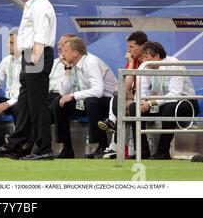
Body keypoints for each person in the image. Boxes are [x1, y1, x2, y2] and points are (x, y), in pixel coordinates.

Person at [0, 0, 56, 161]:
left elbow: (41, 33)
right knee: (25, 102)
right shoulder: (32, 4)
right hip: (30, 54)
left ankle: (44, 149)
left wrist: (35, 56)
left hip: (37, 55)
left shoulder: (40, 5)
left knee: (37, 104)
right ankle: (16, 145)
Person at [129, 41, 199, 160]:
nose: (143, 60)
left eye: (146, 57)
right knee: (133, 107)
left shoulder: (174, 64)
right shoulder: (144, 67)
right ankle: (142, 150)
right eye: (143, 57)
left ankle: (163, 152)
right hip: (160, 103)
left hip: (186, 103)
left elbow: (175, 94)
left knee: (170, 106)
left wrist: (151, 102)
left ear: (156, 56)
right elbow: (141, 91)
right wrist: (142, 103)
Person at [52, 36, 117, 159]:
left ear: (75, 53)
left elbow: (98, 91)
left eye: (66, 51)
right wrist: (67, 69)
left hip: (108, 102)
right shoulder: (72, 65)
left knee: (91, 102)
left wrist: (73, 96)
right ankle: (67, 148)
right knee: (58, 102)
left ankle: (100, 146)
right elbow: (64, 92)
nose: (62, 55)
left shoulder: (91, 62)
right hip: (89, 101)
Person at [98, 31, 148, 159]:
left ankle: (113, 135)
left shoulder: (148, 61)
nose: (128, 50)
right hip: (134, 97)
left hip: (148, 98)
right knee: (119, 96)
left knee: (120, 102)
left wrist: (132, 96)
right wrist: (131, 63)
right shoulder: (133, 61)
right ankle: (114, 144)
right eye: (128, 47)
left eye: (131, 47)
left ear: (142, 46)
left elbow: (148, 89)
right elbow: (125, 87)